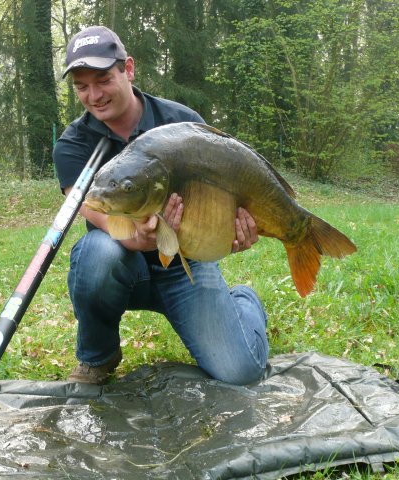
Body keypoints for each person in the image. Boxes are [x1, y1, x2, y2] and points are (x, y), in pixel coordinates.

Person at [53, 26, 269, 386]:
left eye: (103, 79)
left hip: (186, 264)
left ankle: (244, 301)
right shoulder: (73, 145)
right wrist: (140, 236)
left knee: (241, 371)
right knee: (97, 254)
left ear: (129, 69)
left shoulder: (182, 125)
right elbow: (98, 215)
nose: (94, 95)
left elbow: (219, 198)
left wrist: (230, 230)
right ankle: (98, 356)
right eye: (81, 86)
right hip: (122, 264)